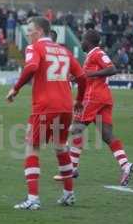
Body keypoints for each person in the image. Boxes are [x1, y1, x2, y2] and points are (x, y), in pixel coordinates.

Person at [6, 17, 86, 210]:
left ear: (40, 31)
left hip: (45, 106)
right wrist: (79, 101)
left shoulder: (35, 48)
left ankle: (33, 199)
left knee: (32, 147)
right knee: (60, 147)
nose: (27, 34)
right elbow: (82, 77)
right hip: (65, 106)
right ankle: (69, 194)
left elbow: (32, 67)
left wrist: (15, 89)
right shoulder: (64, 51)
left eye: (30, 30)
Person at [54, 29, 133, 186]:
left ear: (88, 41)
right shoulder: (91, 56)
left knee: (74, 129)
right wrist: (79, 78)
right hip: (104, 98)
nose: (81, 42)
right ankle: (126, 165)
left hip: (94, 97)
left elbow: (112, 69)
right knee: (107, 135)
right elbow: (90, 75)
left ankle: (71, 168)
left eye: (83, 39)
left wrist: (88, 75)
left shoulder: (97, 53)